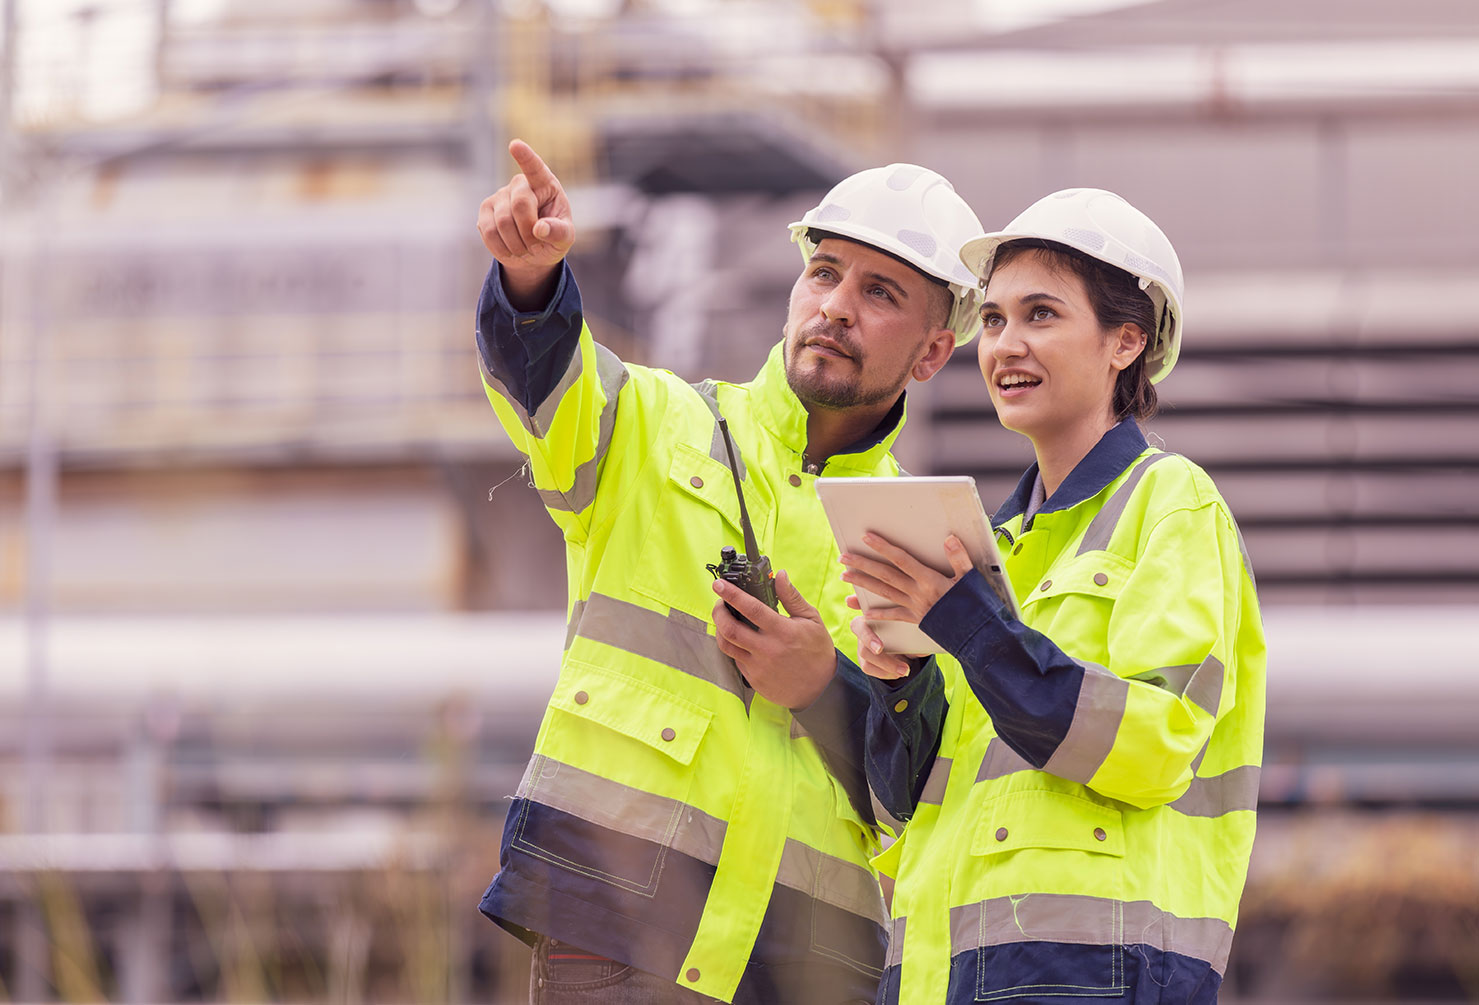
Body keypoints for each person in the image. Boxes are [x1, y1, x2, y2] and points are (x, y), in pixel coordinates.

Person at [473, 139, 986, 1004]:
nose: (836, 306)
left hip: (802, 966)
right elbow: (546, 383)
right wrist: (531, 285)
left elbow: (927, 790)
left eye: (879, 292)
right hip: (616, 927)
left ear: (932, 354)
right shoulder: (656, 423)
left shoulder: (933, 544)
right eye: (823, 274)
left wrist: (823, 683)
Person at [840, 189, 1266, 1004]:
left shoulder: (1169, 503)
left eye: (1040, 313)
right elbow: (911, 809)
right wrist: (902, 687)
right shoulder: (986, 547)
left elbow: (1156, 743)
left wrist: (968, 626)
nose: (1005, 344)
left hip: (1091, 970)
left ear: (1125, 341)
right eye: (993, 319)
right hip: (948, 973)